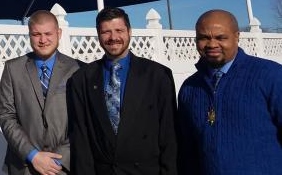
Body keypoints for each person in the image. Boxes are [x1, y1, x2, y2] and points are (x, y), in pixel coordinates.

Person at [68, 7, 178, 175]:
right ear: (98, 35)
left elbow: (169, 135)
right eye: (106, 32)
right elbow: (81, 139)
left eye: (119, 30)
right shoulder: (81, 80)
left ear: (129, 31)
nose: (113, 38)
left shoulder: (157, 75)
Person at [177, 9, 282, 174]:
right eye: (204, 38)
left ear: (237, 36)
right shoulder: (189, 88)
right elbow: (188, 150)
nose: (212, 44)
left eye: (221, 37)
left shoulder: (270, 75)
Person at [0, 10, 81, 175]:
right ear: (29, 35)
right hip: (24, 167)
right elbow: (6, 116)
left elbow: (83, 120)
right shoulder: (12, 69)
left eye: (48, 33)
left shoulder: (78, 69)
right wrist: (33, 155)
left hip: (64, 167)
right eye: (36, 34)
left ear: (59, 33)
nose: (43, 40)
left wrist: (58, 159)